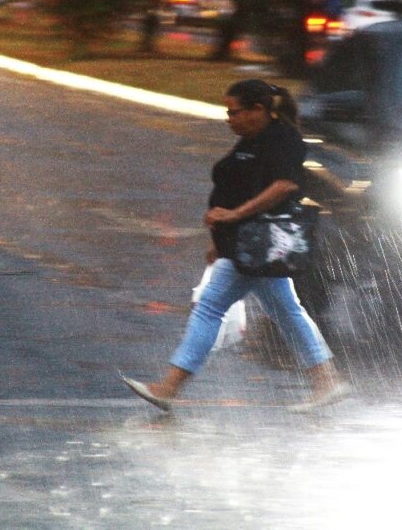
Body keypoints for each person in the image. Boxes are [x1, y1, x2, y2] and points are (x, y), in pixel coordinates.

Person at [122, 79, 350, 412]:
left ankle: (169, 387)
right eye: (227, 112)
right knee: (286, 311)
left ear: (259, 110)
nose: (229, 118)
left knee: (212, 308)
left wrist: (233, 215)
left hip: (262, 244)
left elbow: (284, 185)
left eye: (235, 112)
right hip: (246, 245)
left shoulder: (281, 138)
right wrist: (220, 238)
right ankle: (326, 379)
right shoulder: (250, 140)